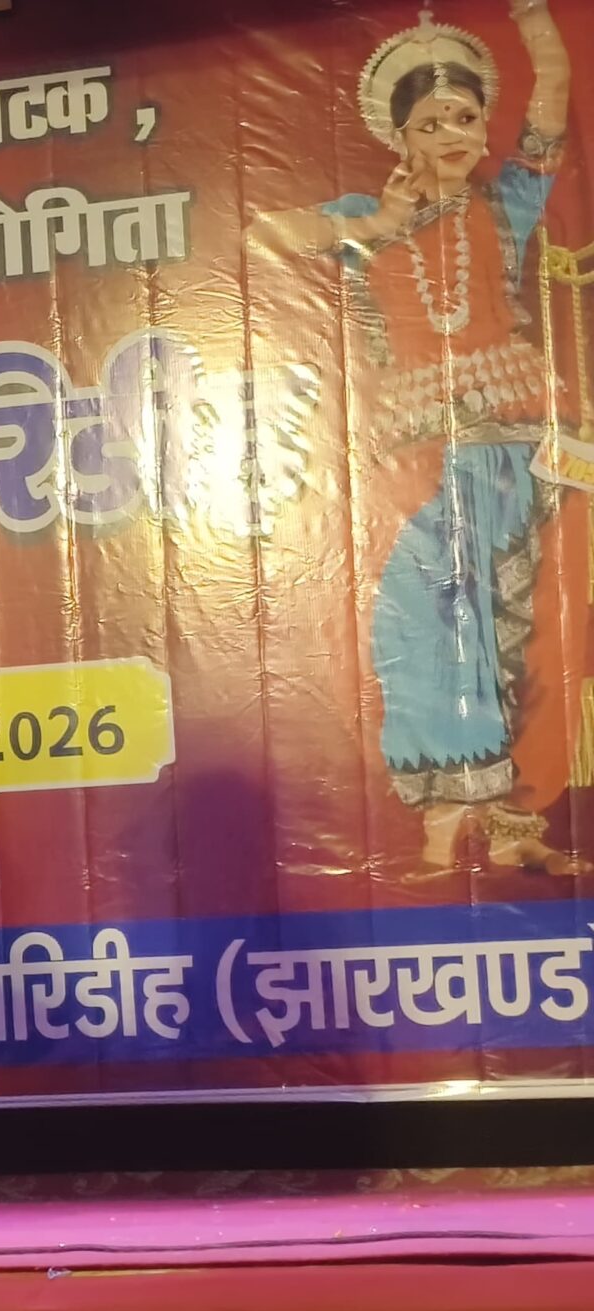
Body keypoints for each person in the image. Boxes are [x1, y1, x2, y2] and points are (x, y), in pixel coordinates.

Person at [251, 1, 575, 874]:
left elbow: (550, 94)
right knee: (424, 631)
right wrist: (376, 230)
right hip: (416, 462)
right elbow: (262, 236)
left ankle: (514, 826)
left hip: (518, 452)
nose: (453, 133)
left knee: (520, 634)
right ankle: (441, 822)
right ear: (399, 138)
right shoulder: (367, 211)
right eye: (431, 123)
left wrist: (531, 13)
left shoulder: (506, 201)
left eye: (466, 117)